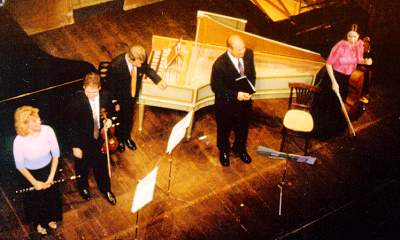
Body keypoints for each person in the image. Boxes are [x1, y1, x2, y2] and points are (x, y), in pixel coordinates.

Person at [66, 72, 117, 205]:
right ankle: (83, 187)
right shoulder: (76, 101)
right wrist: (75, 146)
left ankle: (106, 189)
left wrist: (109, 121)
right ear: (84, 87)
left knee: (101, 166)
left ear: (99, 88)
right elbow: (70, 126)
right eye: (88, 92)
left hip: (100, 138)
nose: (92, 95)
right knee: (82, 167)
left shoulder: (106, 96)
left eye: (94, 92)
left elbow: (111, 112)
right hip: (82, 141)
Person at [106, 44, 168, 152]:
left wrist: (158, 79)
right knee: (120, 119)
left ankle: (126, 137)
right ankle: (120, 140)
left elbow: (146, 69)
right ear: (130, 58)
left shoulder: (140, 59)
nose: (140, 66)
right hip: (120, 98)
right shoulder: (115, 66)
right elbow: (110, 87)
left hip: (132, 96)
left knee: (129, 118)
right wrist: (115, 102)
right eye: (138, 63)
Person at [314, 24, 372, 137]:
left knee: (337, 106)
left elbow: (358, 60)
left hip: (346, 79)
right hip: (333, 76)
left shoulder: (359, 46)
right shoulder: (340, 46)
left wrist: (365, 61)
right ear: (347, 35)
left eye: (355, 36)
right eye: (350, 36)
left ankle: (329, 132)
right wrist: (334, 82)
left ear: (358, 36)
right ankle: (319, 132)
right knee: (328, 104)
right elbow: (328, 64)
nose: (352, 39)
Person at [13, 106, 62, 236]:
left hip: (49, 169)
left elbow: (56, 155)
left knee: (51, 196)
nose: (39, 122)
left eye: (38, 119)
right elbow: (20, 166)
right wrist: (34, 182)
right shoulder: (19, 141)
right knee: (36, 201)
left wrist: (51, 177)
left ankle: (51, 218)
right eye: (34, 121)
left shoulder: (48, 130)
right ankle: (39, 223)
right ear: (25, 124)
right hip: (30, 174)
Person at [210, 35, 256, 167]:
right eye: (239, 50)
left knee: (242, 128)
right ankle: (224, 151)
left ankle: (240, 149)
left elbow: (252, 74)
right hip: (226, 105)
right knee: (224, 130)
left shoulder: (249, 54)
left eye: (243, 48)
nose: (243, 51)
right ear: (229, 49)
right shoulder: (219, 65)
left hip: (244, 103)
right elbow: (216, 88)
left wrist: (250, 90)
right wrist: (236, 95)